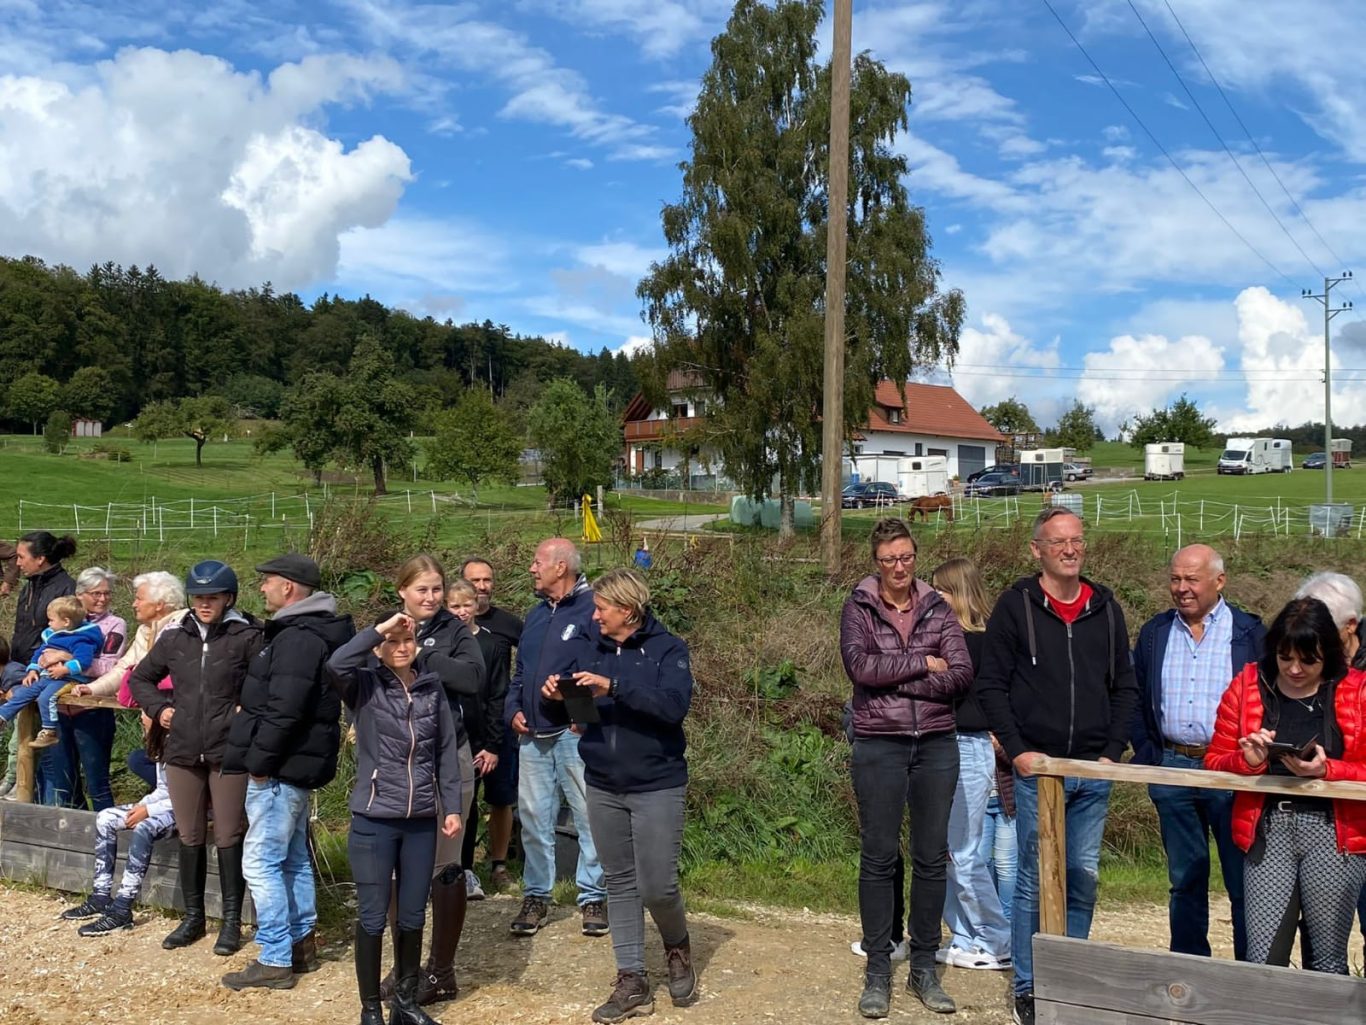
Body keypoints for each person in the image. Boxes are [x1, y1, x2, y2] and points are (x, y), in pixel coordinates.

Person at [976, 507, 1137, 1025]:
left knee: (1082, 876)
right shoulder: (1016, 606)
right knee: (1032, 878)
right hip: (1039, 769)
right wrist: (1018, 750)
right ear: (1037, 550)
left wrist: (1112, 751)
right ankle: (1029, 986)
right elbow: (991, 685)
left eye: (1077, 540)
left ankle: (1070, 979)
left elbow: (1125, 685)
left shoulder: (1105, 608)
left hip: (1092, 769)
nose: (1070, 550)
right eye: (1058, 542)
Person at [542, 568, 696, 1024]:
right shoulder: (592, 648)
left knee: (658, 886)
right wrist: (559, 697)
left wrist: (615, 686)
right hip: (603, 782)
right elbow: (582, 716)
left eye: (602, 609)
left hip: (657, 783)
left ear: (627, 611)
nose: (594, 616)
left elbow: (673, 708)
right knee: (620, 881)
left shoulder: (668, 649)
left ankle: (677, 946)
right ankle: (632, 980)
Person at [840, 518, 971, 1018]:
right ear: (876, 563)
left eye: (907, 557)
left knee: (932, 857)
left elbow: (961, 674)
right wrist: (921, 662)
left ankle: (923, 967)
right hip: (879, 742)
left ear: (916, 555)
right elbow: (860, 668)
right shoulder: (858, 607)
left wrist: (895, 676)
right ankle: (878, 969)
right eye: (890, 559)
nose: (900, 567)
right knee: (878, 856)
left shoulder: (938, 606)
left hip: (936, 743)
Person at [1205, 596, 1366, 973]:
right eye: (1284, 657)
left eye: (1308, 661)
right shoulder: (1248, 684)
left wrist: (1329, 770)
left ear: (1328, 655)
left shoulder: (1358, 690)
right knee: (1263, 955)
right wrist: (1248, 761)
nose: (1294, 669)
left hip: (1335, 834)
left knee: (1327, 958)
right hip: (1268, 829)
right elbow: (1215, 759)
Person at [221, 554, 353, 992]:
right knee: (293, 859)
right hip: (294, 766)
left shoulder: (298, 638)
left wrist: (259, 764)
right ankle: (300, 945)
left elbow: (285, 709)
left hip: (279, 768)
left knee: (260, 862)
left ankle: (275, 956)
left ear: (289, 587)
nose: (262, 588)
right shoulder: (306, 632)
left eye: (268, 581)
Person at [328, 612, 463, 1025]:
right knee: (372, 916)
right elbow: (336, 663)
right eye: (393, 641)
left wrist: (452, 806)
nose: (402, 648)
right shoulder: (364, 686)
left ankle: (405, 1003)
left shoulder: (431, 689)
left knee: (412, 914)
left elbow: (445, 750)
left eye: (408, 640)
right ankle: (371, 1008)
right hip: (375, 817)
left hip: (421, 817)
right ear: (379, 648)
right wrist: (380, 628)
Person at [1129, 544, 1264, 960]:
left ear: (1219, 581)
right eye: (1175, 579)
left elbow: (1270, 697)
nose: (1182, 588)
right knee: (1184, 879)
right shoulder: (1155, 632)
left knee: (1244, 881)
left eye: (1192, 579)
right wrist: (1149, 752)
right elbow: (1135, 694)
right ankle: (1189, 971)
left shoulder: (1249, 633)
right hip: (1172, 766)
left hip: (1232, 769)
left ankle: (1249, 973)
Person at [128, 560, 263, 956]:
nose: (205, 604)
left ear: (228, 598)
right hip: (183, 749)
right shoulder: (175, 637)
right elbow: (140, 678)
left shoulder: (248, 636)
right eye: (199, 597)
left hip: (228, 749)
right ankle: (193, 917)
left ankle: (231, 921)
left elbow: (268, 684)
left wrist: (246, 710)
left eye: (213, 597)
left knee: (228, 833)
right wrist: (159, 709)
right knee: (189, 834)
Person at [375, 554, 481, 1007]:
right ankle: (405, 965)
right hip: (396, 759)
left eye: (437, 589)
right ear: (402, 590)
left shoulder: (455, 631)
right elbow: (351, 675)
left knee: (444, 864)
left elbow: (473, 679)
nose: (432, 597)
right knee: (397, 865)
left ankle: (441, 971)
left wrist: (423, 652)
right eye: (422, 589)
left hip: (446, 756)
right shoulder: (385, 626)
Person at [505, 538, 607, 937]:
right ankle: (536, 896)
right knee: (533, 820)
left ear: (560, 567)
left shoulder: (593, 610)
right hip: (532, 734)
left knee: (589, 817)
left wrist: (578, 709)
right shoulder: (534, 615)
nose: (532, 569)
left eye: (537, 562)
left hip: (573, 734)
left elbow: (601, 670)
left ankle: (593, 896)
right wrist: (513, 708)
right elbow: (520, 672)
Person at [931, 557, 1011, 971]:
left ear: (959, 592)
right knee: (945, 850)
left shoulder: (979, 641)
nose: (933, 596)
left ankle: (996, 937)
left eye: (941, 589)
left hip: (968, 745)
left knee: (963, 851)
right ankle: (964, 935)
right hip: (942, 744)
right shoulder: (947, 638)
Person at [59, 715, 176, 936]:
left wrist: (149, 811)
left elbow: (192, 795)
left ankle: (122, 908)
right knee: (105, 817)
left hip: (187, 810)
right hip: (165, 804)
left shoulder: (182, 743)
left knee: (144, 828)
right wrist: (143, 804)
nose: (141, 718)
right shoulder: (163, 742)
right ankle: (101, 896)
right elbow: (164, 788)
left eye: (145, 715)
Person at [72, 571, 188, 790]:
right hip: (157, 717)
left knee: (159, 765)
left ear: (159, 604)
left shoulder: (184, 627)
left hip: (178, 719)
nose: (134, 604)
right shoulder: (146, 631)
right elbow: (123, 667)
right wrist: (92, 689)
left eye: (139, 598)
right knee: (144, 761)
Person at [445, 578, 510, 901]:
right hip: (447, 735)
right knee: (448, 805)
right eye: (454, 606)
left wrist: (492, 744)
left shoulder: (491, 645)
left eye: (466, 605)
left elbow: (498, 696)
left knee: (470, 804)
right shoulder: (438, 642)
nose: (461, 611)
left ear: (477, 604)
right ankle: (444, 868)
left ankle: (467, 869)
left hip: (480, 737)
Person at [461, 557, 523, 893]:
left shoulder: (507, 624)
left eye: (487, 580)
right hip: (463, 728)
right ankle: (460, 866)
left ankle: (499, 864)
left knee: (501, 798)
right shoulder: (449, 625)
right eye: (475, 581)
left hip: (499, 724)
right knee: (463, 799)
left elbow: (530, 662)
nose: (482, 587)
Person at [43, 567, 127, 810]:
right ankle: (72, 829)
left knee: (96, 780)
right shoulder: (62, 619)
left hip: (92, 710)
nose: (102, 599)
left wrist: (66, 658)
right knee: (63, 782)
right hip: (59, 709)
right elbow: (44, 656)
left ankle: (106, 826)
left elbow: (109, 666)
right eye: (96, 593)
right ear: (80, 594)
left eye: (107, 593)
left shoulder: (114, 625)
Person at [0, 532, 77, 797]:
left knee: (43, 750)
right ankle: (19, 788)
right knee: (20, 740)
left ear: (40, 558)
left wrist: (39, 667)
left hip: (46, 675)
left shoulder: (65, 588)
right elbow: (23, 631)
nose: (17, 563)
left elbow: (63, 637)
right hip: (23, 671)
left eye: (22, 557)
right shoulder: (30, 586)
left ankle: (43, 802)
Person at [1, 596, 104, 750]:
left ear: (66, 622)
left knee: (46, 697)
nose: (48, 623)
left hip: (67, 679)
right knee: (23, 692)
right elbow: (39, 652)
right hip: (46, 676)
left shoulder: (82, 639)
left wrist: (65, 669)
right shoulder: (53, 636)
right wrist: (33, 669)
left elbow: (84, 661)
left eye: (51, 620)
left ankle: (49, 730)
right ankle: (2, 715)